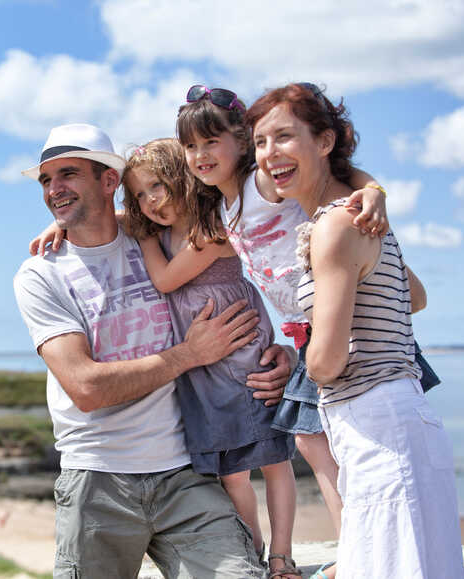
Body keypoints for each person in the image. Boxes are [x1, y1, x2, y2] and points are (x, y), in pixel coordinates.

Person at [14, 123, 294, 578]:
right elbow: (85, 388)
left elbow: (235, 282)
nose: (54, 189)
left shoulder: (162, 239)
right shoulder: (41, 274)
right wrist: (189, 354)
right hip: (96, 477)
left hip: (188, 471)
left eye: (68, 174)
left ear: (109, 181)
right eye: (47, 180)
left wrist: (279, 354)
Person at [247, 83, 464, 578]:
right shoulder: (357, 218)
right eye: (260, 142)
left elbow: (325, 362)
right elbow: (417, 296)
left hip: (378, 425)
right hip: (393, 421)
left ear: (324, 142)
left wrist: (291, 363)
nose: (268, 154)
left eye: (284, 136)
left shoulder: (336, 225)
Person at [176, 84, 392, 579]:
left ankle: (358, 555)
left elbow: (342, 172)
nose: (201, 155)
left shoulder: (262, 186)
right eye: (191, 147)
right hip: (304, 335)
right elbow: (155, 209)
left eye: (212, 142)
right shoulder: (224, 211)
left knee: (332, 444)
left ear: (241, 142)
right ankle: (354, 551)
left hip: (340, 319)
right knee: (317, 444)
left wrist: (374, 191)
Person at [122, 137, 297, 578]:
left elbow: (164, 280)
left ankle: (281, 554)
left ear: (182, 178)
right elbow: (108, 220)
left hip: (241, 356)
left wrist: (143, 236)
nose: (149, 202)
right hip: (202, 370)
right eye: (139, 195)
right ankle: (251, 545)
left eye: (157, 187)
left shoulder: (213, 230)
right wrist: (60, 228)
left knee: (274, 460)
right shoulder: (160, 231)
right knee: (231, 472)